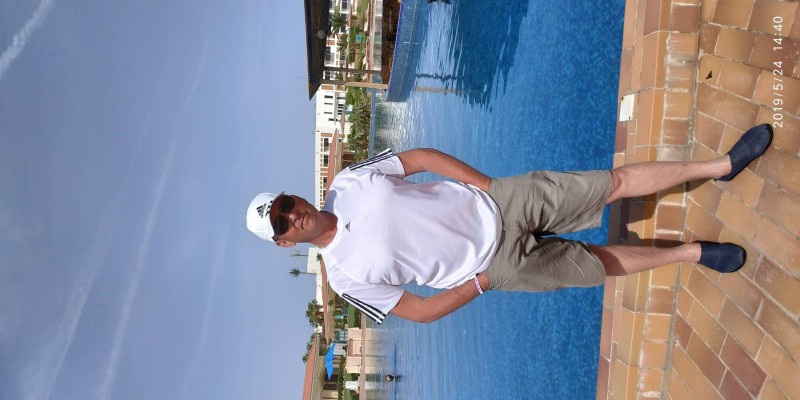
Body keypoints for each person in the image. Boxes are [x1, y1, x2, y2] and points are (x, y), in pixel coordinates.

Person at [246, 124, 773, 324]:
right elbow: (420, 311)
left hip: (501, 203)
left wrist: (487, 184)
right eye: (282, 223)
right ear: (285, 242)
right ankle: (691, 253)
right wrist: (481, 282)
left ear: (294, 195)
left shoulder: (348, 181)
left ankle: (720, 166)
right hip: (497, 267)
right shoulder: (343, 279)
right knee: (598, 264)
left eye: (286, 203)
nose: (292, 214)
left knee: (608, 183)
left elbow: (419, 158)